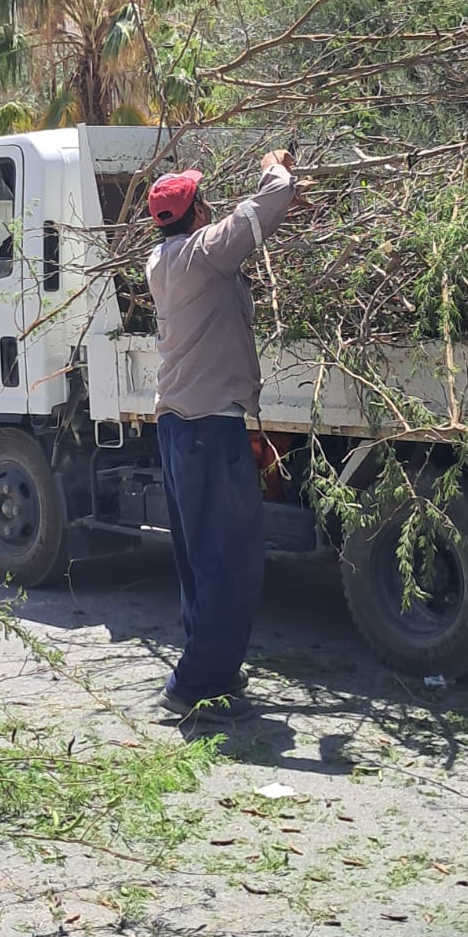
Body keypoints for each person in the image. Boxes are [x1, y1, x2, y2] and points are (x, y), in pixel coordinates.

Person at [145, 149, 297, 724]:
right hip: (208, 427)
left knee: (200, 560)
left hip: (183, 427)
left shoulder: (161, 259)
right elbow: (265, 208)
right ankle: (196, 685)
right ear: (197, 211)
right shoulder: (201, 254)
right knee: (231, 559)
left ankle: (210, 671)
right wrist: (274, 166)